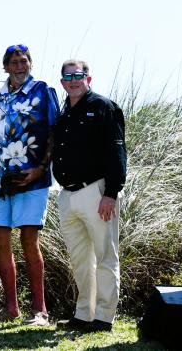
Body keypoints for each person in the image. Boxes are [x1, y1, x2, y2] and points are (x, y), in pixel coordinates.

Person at [0, 44, 57, 326]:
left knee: (28, 241)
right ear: (5, 66)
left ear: (30, 64)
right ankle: (10, 308)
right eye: (13, 62)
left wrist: (40, 168)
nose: (19, 66)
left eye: (23, 61)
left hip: (31, 179)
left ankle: (40, 310)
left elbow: (53, 133)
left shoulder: (43, 90)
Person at [53, 59, 126, 333]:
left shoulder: (104, 107)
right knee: (80, 259)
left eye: (79, 75)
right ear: (62, 82)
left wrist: (111, 193)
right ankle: (84, 314)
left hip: (96, 192)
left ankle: (104, 317)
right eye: (68, 76)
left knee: (106, 256)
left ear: (89, 78)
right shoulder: (64, 113)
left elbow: (117, 153)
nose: (73, 80)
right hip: (67, 195)